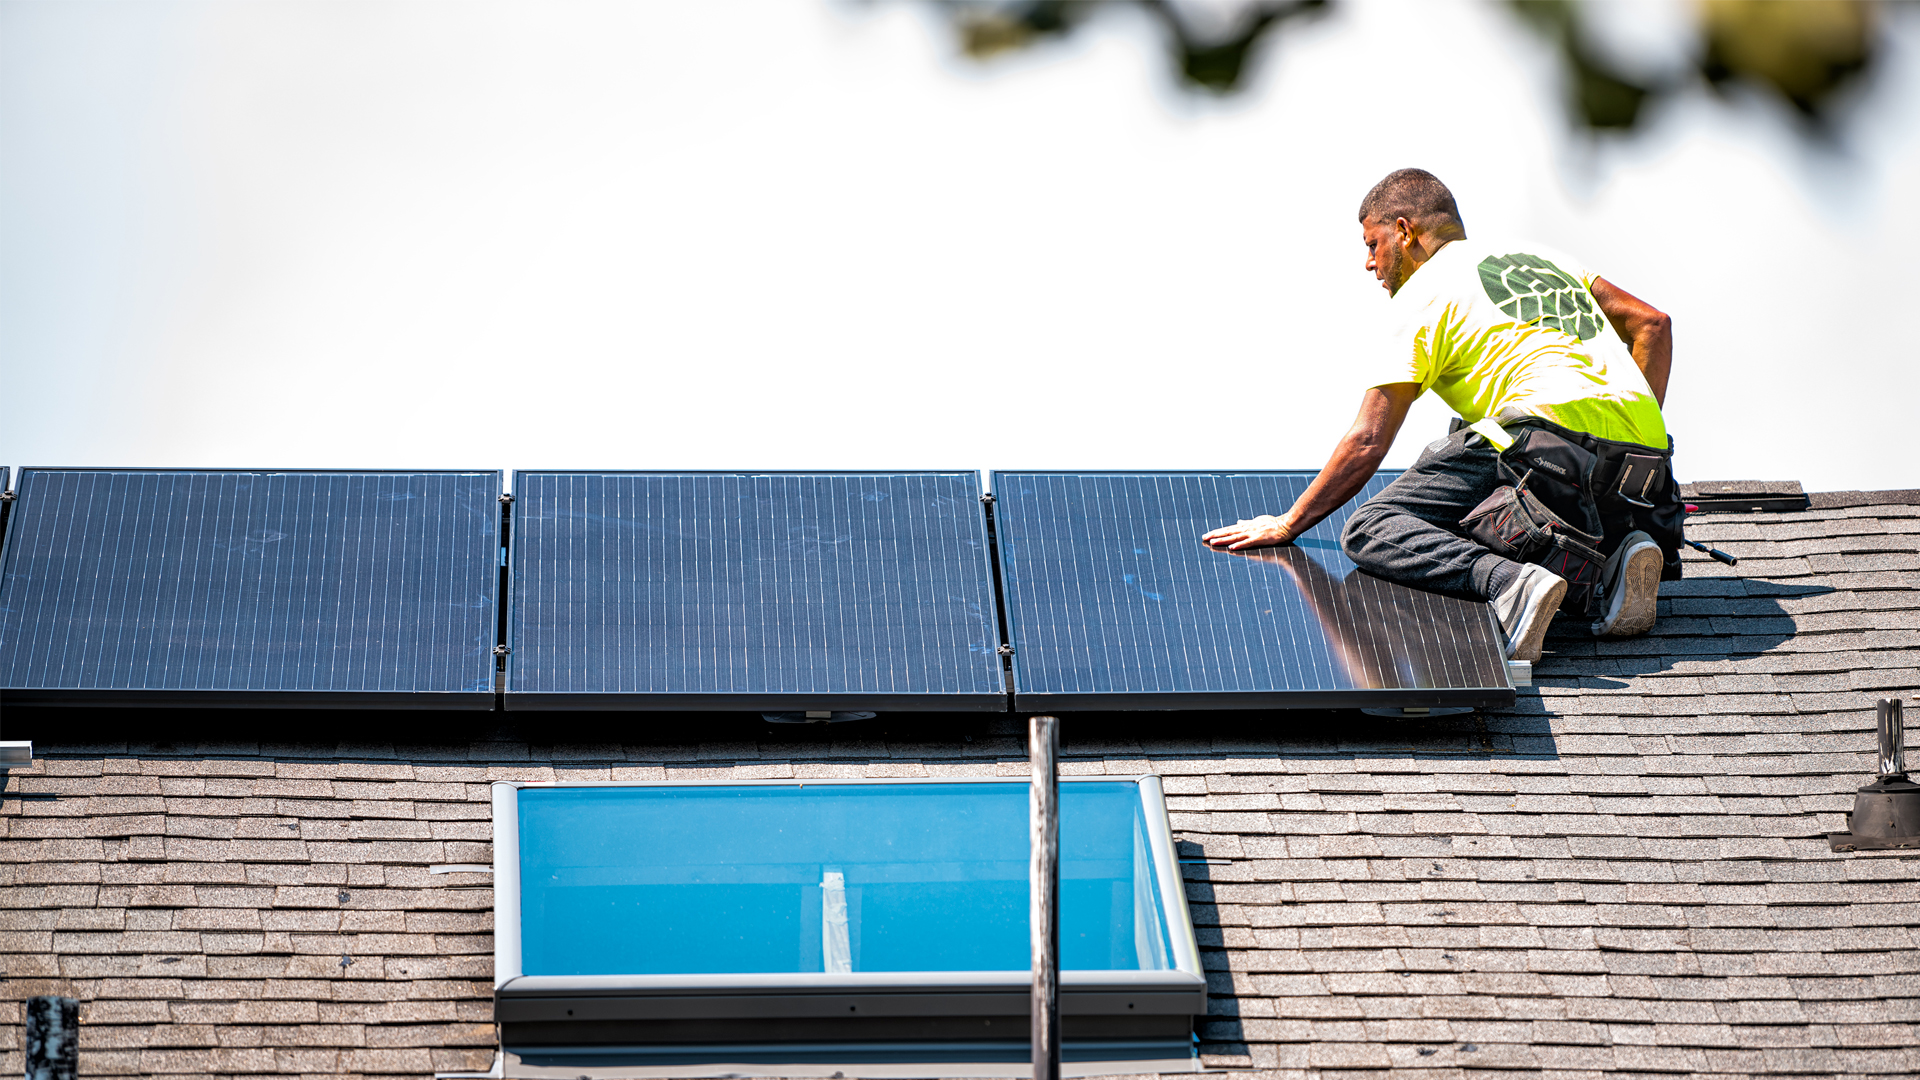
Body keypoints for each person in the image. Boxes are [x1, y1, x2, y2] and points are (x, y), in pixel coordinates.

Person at [1202, 168, 1682, 664]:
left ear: (1404, 232)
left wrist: (1289, 523)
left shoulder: (1423, 295)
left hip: (1544, 438)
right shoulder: (1541, 259)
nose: (1369, 264)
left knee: (1373, 526)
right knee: (1485, 447)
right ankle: (1620, 554)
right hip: (1644, 467)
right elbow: (1653, 324)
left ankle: (1513, 585)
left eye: (1372, 244)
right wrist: (1624, 442)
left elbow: (1368, 438)